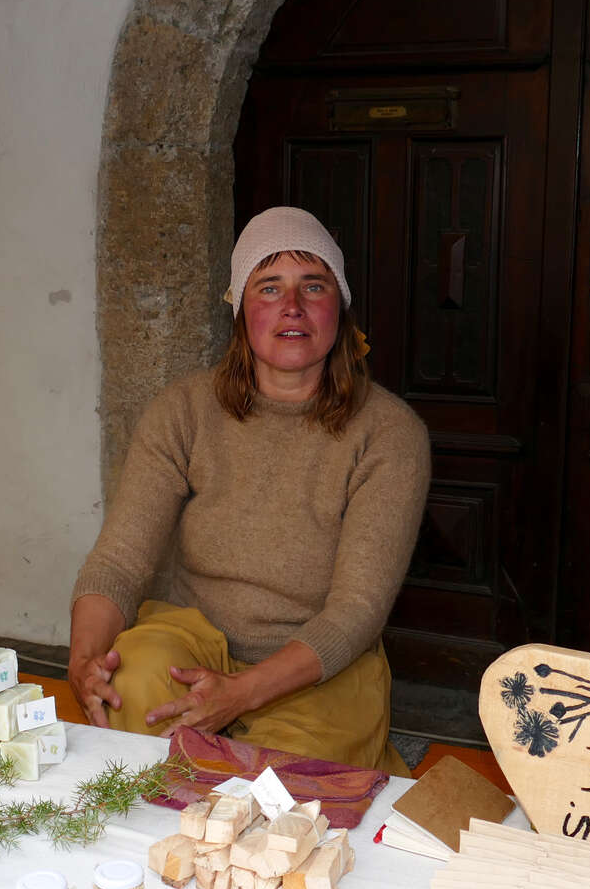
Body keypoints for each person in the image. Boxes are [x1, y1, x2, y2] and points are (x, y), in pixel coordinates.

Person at [67, 207, 431, 772]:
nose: (293, 306)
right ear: (240, 310)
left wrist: (240, 694)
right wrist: (84, 658)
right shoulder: (184, 411)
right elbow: (119, 561)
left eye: (314, 285)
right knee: (127, 687)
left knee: (286, 780)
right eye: (269, 287)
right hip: (194, 640)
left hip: (316, 665)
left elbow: (357, 610)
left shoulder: (389, 433)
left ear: (340, 307)